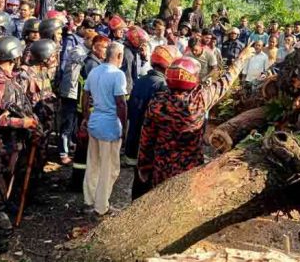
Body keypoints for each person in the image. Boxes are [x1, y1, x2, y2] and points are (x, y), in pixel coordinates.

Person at [137, 48, 253, 193]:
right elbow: (226, 81)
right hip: (190, 168)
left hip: (162, 167)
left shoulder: (157, 102)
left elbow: (146, 139)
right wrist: (241, 58)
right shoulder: (201, 99)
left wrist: (144, 166)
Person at [0, 36, 40, 252]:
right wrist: (23, 123)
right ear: (13, 56)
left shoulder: (6, 78)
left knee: (0, 190)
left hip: (7, 145)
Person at [80, 41, 128, 217]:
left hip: (95, 122)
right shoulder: (118, 75)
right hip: (110, 126)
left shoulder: (95, 71)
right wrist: (124, 127)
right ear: (119, 56)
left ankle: (89, 200)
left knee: (93, 164)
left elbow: (85, 96)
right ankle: (101, 206)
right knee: (109, 168)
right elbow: (121, 103)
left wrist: (86, 117)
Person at [126, 45, 180, 198]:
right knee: (149, 185)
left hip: (134, 137)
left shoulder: (140, 81)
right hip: (149, 142)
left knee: (138, 178)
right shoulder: (163, 86)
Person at [69, 35, 110, 191]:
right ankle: (80, 182)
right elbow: (91, 92)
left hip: (86, 110)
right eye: (103, 47)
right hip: (89, 112)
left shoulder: (93, 62)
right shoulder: (93, 65)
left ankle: (79, 181)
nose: (106, 51)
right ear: (94, 48)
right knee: (85, 149)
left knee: (84, 148)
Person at [20, 39, 60, 189]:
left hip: (44, 121)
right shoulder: (25, 74)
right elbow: (21, 102)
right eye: (53, 56)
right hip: (32, 123)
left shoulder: (44, 72)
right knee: (28, 156)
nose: (55, 59)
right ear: (44, 57)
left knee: (41, 153)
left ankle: (37, 180)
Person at [57, 29, 94, 165]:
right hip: (70, 92)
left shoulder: (86, 52)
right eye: (93, 41)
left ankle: (70, 145)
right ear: (86, 39)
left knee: (74, 123)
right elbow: (84, 61)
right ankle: (63, 153)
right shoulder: (77, 51)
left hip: (78, 92)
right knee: (67, 123)